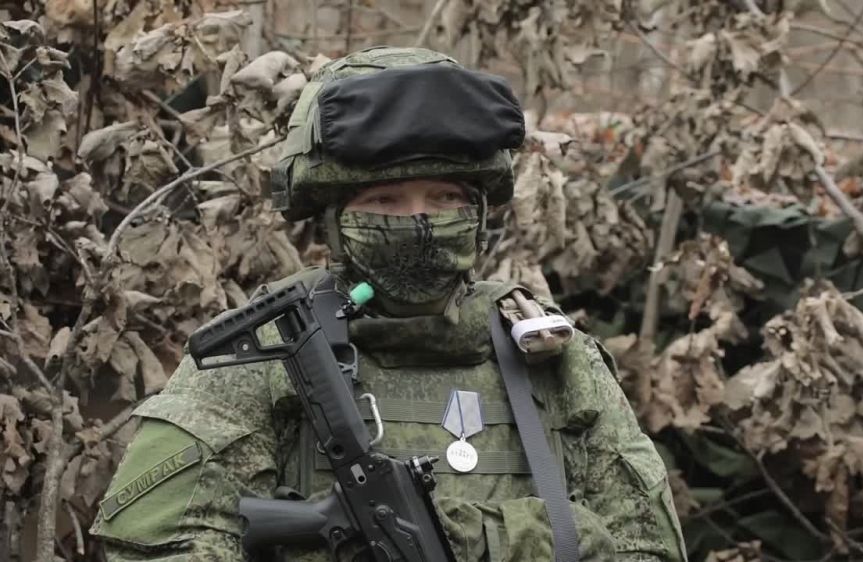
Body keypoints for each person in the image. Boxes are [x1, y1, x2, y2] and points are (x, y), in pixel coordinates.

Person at [91, 46, 687, 562]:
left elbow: (646, 545)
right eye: (385, 200)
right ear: (334, 216)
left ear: (479, 213)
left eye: (446, 197)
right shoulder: (271, 348)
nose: (419, 220)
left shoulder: (550, 354)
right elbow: (158, 541)